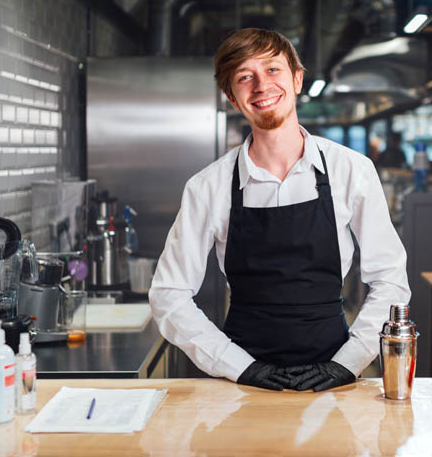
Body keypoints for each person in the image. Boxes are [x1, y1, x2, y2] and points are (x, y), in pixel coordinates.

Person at [148, 28, 410, 392]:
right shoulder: (207, 186)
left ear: (297, 79)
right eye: (244, 76)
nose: (261, 85)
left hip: (335, 378)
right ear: (231, 97)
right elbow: (168, 293)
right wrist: (238, 366)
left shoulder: (351, 170)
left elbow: (391, 280)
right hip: (242, 383)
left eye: (272, 70)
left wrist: (348, 363)